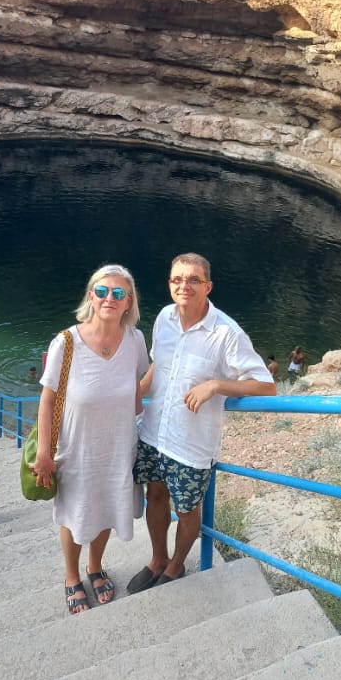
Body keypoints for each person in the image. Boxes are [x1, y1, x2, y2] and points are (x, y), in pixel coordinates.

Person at [127, 252, 276, 594]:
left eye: (193, 279)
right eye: (177, 279)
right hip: (154, 430)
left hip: (192, 442)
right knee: (156, 494)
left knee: (188, 507)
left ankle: (176, 567)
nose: (184, 286)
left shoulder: (226, 333)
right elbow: (157, 368)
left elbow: (265, 384)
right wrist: (133, 394)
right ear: (169, 285)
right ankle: (157, 560)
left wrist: (216, 385)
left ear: (208, 286)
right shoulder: (164, 318)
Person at [32, 264, 149, 615]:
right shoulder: (66, 342)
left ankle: (95, 566)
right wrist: (43, 451)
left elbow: (137, 386)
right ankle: (71, 575)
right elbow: (48, 399)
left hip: (119, 446)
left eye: (118, 293)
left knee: (108, 505)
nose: (108, 299)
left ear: (129, 302)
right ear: (90, 296)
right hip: (76, 446)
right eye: (101, 291)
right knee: (74, 512)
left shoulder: (135, 340)